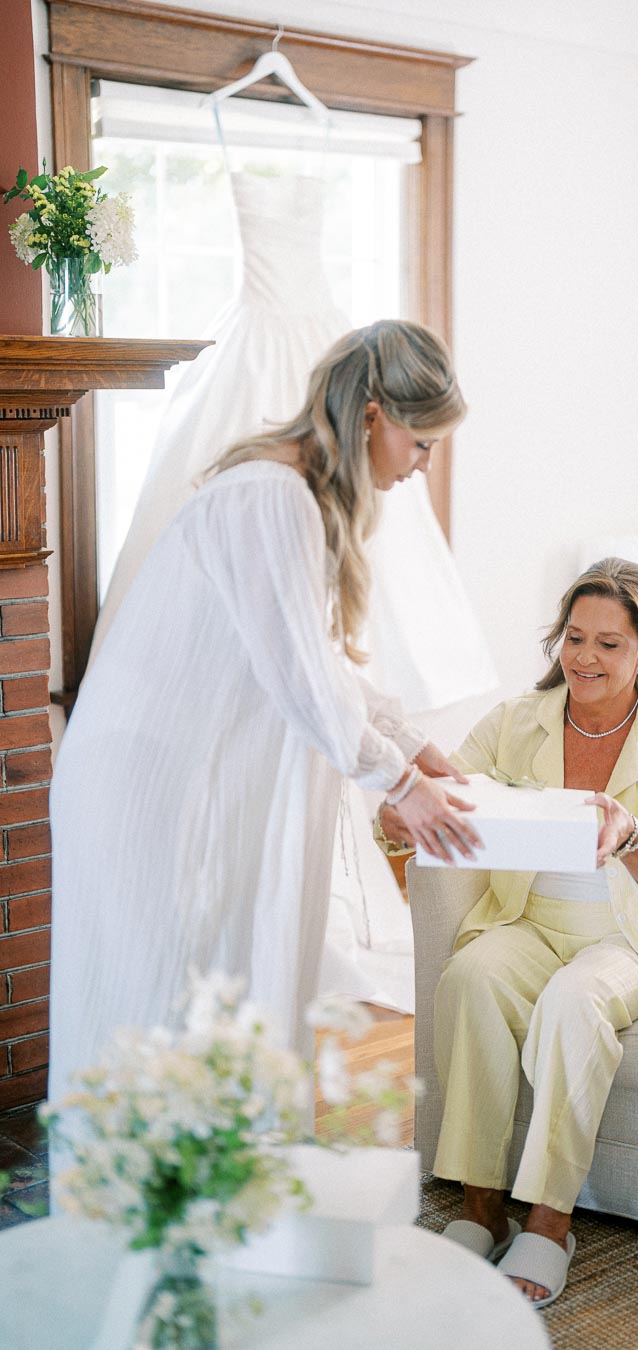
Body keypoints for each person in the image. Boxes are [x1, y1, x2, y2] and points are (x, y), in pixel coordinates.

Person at [48, 319, 482, 1109]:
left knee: (200, 995)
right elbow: (301, 677)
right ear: (376, 415)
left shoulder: (295, 496)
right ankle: (142, 1205)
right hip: (145, 778)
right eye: (423, 444)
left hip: (176, 774)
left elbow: (319, 662)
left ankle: (204, 1196)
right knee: (148, 1001)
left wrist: (415, 746)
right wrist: (399, 783)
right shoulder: (269, 496)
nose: (424, 468)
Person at [378, 558, 638, 1307]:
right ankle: (479, 1207)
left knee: (572, 1002)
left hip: (629, 935)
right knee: (468, 977)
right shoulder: (514, 720)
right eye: (574, 637)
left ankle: (551, 1222)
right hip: (528, 920)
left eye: (610, 644)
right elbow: (444, 801)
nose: (586, 658)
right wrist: (397, 813)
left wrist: (632, 837)